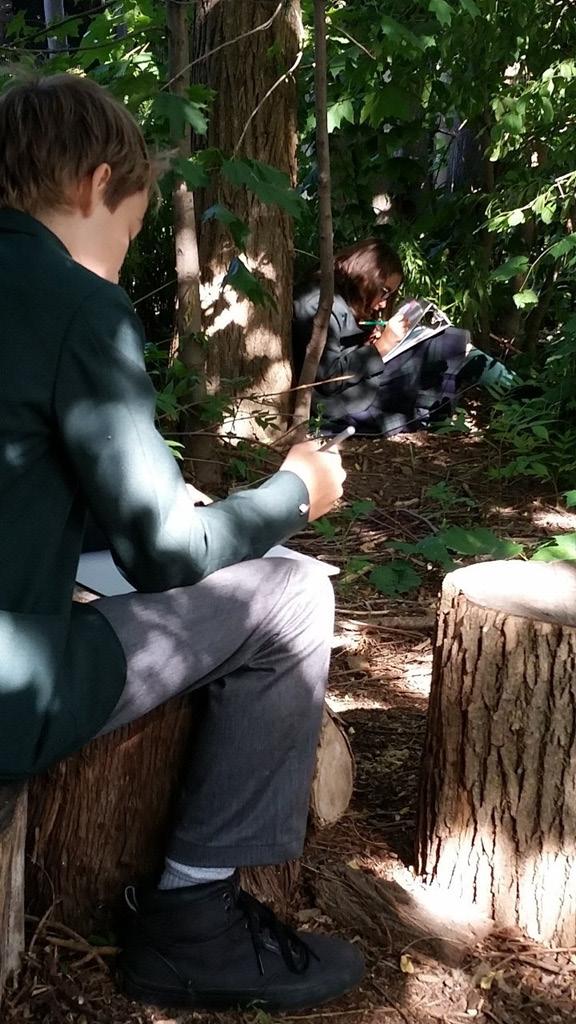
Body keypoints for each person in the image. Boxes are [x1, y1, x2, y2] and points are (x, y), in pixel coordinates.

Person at [0, 75, 364, 1012]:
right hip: (9, 688)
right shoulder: (73, 303)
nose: (123, 257)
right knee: (292, 593)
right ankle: (194, 919)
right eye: (130, 230)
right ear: (96, 183)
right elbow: (163, 553)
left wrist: (155, 499)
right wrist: (294, 493)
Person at [293, 238, 520, 436]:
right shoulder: (318, 303)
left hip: (356, 390)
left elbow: (343, 349)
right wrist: (381, 347)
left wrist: (370, 341)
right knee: (446, 344)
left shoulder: (339, 296)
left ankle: (516, 394)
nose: (383, 303)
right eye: (384, 292)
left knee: (445, 342)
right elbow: (327, 379)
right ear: (366, 278)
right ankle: (519, 395)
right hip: (341, 405)